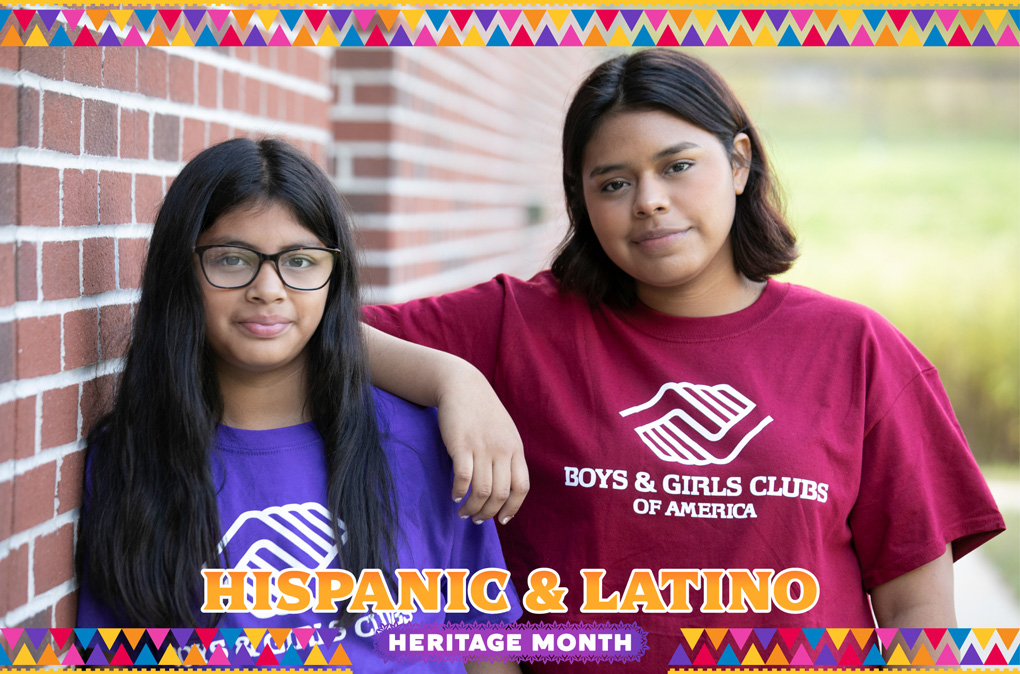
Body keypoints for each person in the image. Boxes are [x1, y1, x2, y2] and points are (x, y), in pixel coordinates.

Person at [364, 49, 1005, 672]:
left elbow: (916, 607)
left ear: (738, 162)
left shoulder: (856, 349)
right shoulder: (516, 327)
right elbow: (320, 330)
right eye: (613, 182)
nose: (648, 200)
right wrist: (454, 377)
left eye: (676, 166)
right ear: (580, 200)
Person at [75, 138, 522, 673]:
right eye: (232, 259)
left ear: (334, 280)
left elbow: (482, 647)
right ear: (182, 273)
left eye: (301, 261)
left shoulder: (423, 443)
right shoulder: (129, 460)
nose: (269, 289)